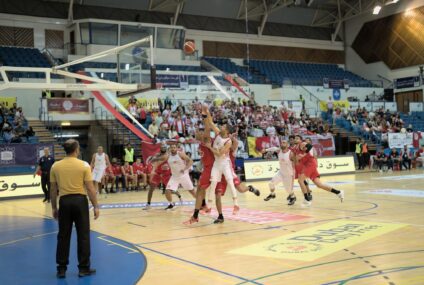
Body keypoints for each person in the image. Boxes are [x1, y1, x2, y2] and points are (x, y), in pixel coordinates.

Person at [50, 139, 99, 278]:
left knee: (63, 236)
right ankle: (83, 268)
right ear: (77, 150)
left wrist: (54, 207)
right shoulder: (84, 165)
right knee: (83, 235)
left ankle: (61, 269)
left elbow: (53, 190)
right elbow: (90, 188)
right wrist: (96, 206)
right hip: (80, 202)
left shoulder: (55, 166)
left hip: (64, 202)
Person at [263, 140, 296, 205]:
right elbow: (274, 148)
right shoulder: (279, 151)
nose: (282, 143)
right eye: (281, 142)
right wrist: (266, 150)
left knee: (288, 190)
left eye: (284, 142)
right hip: (281, 173)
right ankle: (272, 194)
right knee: (271, 183)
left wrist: (294, 174)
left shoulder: (291, 153)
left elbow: (296, 163)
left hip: (289, 174)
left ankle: (293, 197)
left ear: (287, 145)